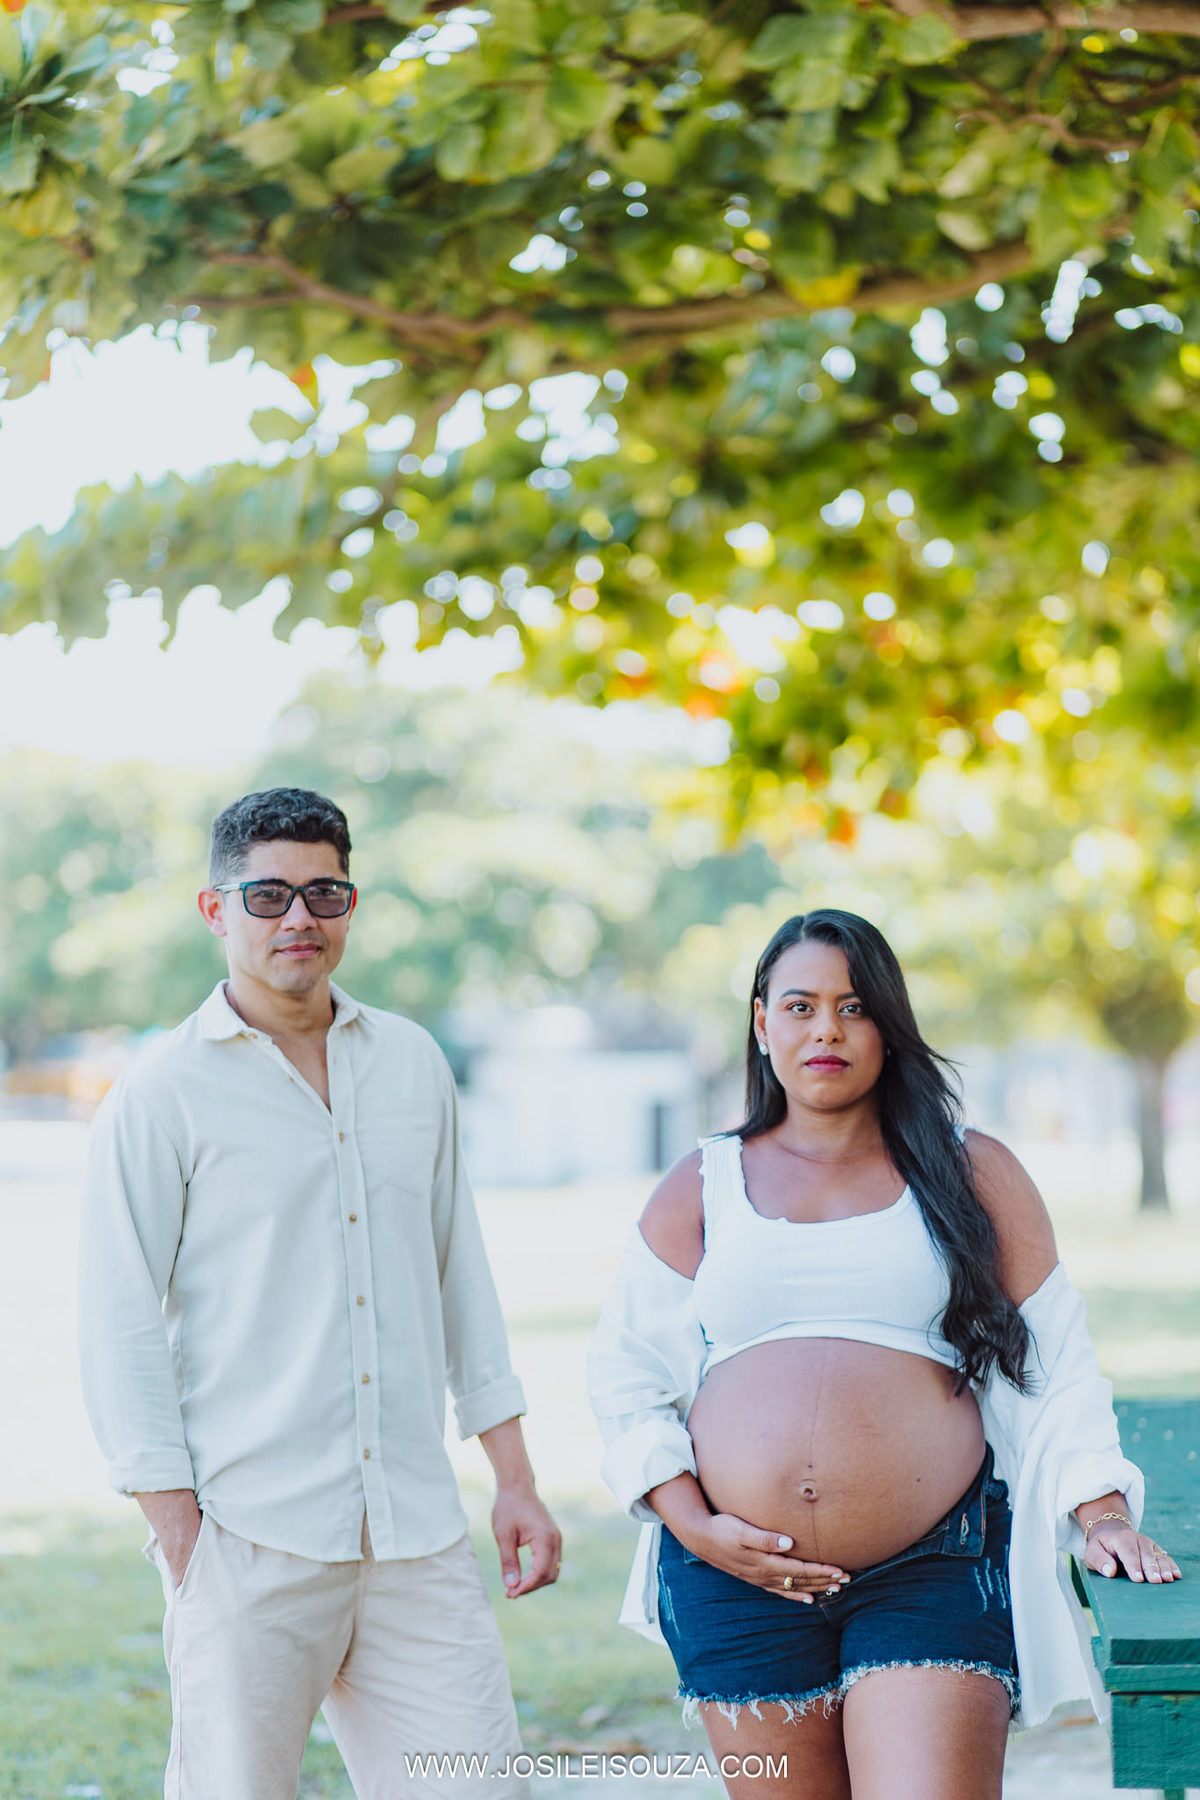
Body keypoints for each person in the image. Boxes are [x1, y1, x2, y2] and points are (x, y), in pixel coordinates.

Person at [588, 908, 1179, 1800]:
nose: (826, 1028)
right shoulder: (702, 1182)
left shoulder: (969, 1169)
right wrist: (696, 1526)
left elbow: (1055, 1362)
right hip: (738, 1579)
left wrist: (1100, 1514)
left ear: (889, 1026)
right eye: (800, 1005)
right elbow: (628, 1380)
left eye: (855, 1006)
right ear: (761, 1023)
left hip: (932, 1568)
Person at [79, 786, 561, 1800]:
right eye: (267, 896)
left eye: (323, 892)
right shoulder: (162, 1091)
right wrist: (179, 1533)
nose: (298, 918)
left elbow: (456, 1271)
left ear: (351, 904)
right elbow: (116, 1318)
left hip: (416, 1534)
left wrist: (512, 1476)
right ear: (216, 911)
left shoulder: (414, 1064)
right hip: (248, 1534)